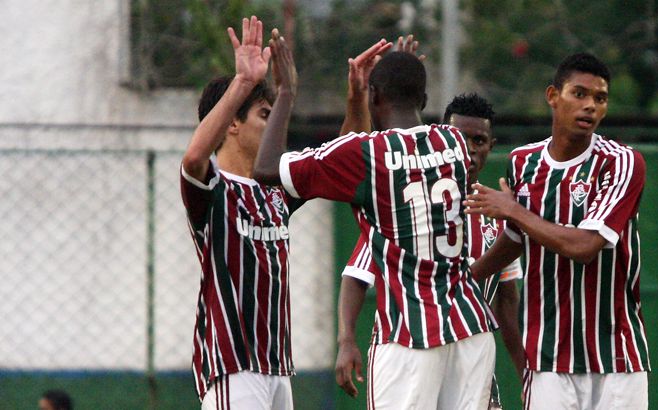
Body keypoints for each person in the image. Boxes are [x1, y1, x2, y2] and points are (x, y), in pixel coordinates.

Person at [253, 50, 498, 409]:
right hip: (470, 328)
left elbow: (266, 169)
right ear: (424, 99)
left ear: (376, 96)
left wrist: (287, 92)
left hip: (410, 335)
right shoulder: (454, 143)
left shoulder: (366, 153)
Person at [465, 53, 650, 409]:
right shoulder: (523, 162)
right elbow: (515, 239)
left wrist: (514, 210)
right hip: (548, 358)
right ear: (553, 96)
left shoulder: (623, 162)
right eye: (578, 94)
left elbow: (585, 247)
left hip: (617, 358)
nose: (590, 107)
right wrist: (463, 281)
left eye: (600, 98)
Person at [334, 92, 524, 410]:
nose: (471, 149)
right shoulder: (408, 204)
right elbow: (356, 274)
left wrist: (524, 372)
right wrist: (346, 338)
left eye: (479, 140)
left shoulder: (497, 212)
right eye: (462, 139)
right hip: (411, 351)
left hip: (468, 358)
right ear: (444, 139)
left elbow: (506, 300)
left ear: (491, 145)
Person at [180, 16, 301, 409]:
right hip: (234, 366)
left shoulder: (274, 190)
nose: (273, 126)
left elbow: (341, 160)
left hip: (278, 365)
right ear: (232, 123)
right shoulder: (213, 188)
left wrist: (355, 97)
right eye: (263, 115)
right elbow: (194, 157)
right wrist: (243, 83)